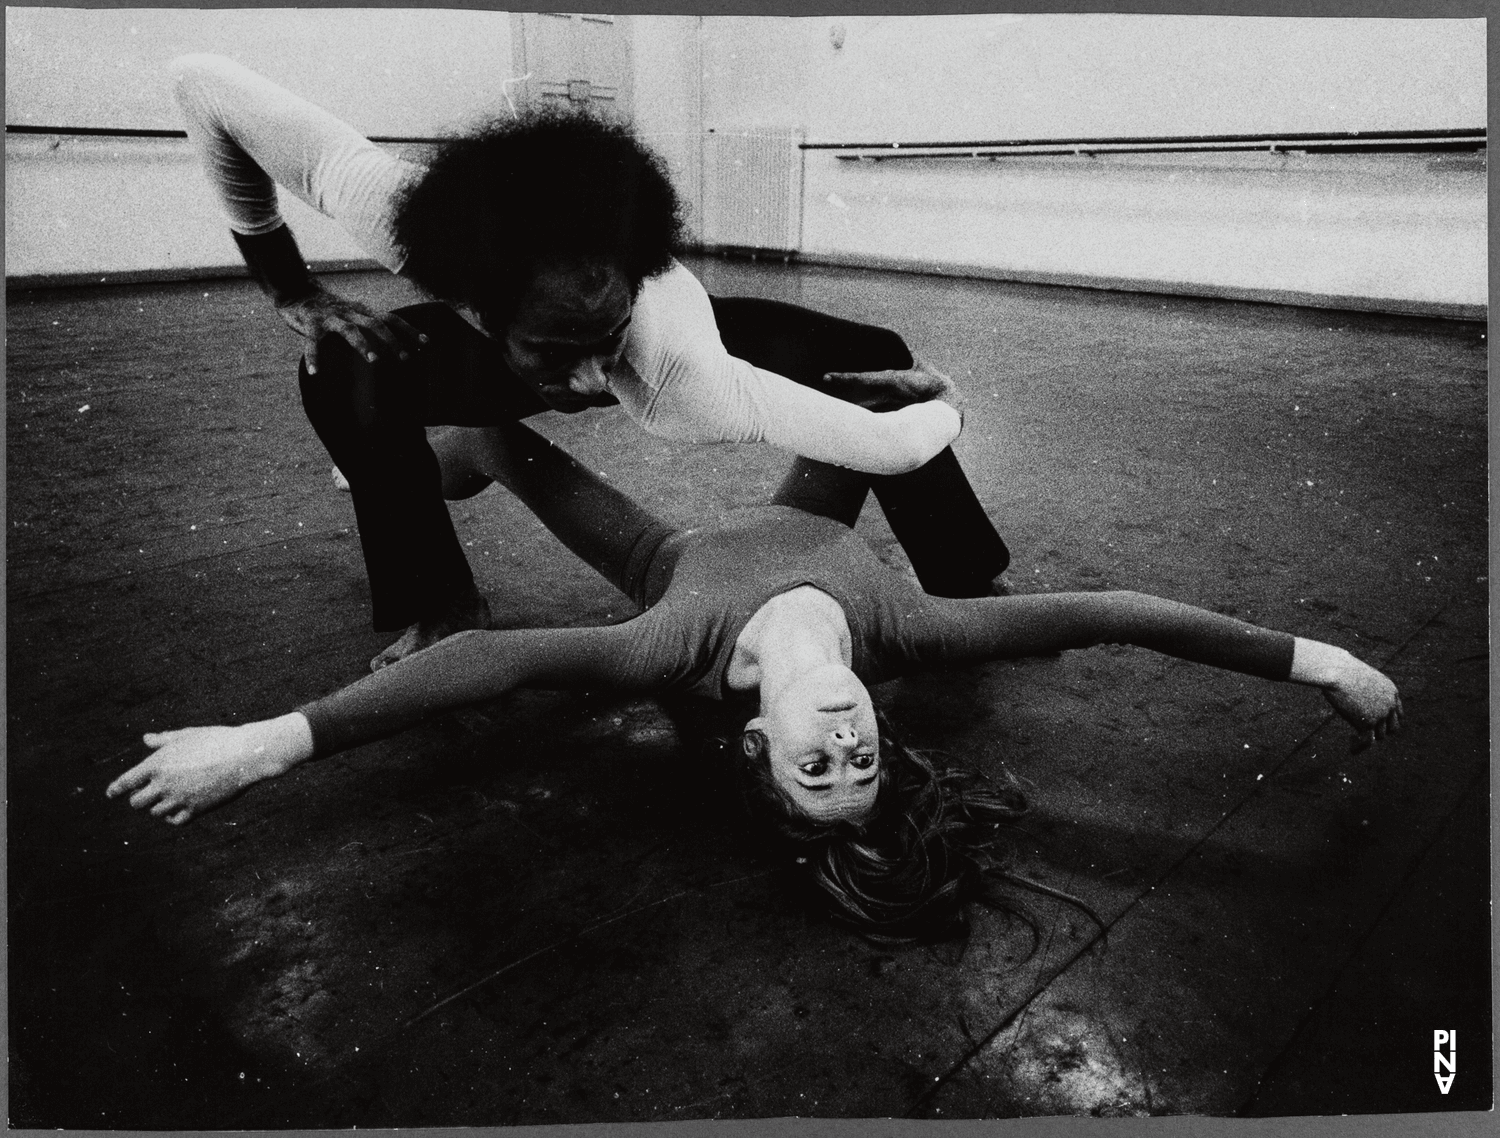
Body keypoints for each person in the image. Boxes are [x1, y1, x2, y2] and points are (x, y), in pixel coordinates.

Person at [108, 420, 1402, 942]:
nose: (842, 738)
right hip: (816, 516)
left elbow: (493, 663)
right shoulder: (909, 632)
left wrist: (266, 741)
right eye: (864, 760)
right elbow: (1116, 614)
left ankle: (396, 470)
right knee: (892, 401)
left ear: (755, 748)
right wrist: (1322, 659)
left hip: (677, 563)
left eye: (811, 763)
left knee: (493, 439)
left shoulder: (664, 647)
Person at [170, 54, 1011, 672]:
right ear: (473, 298)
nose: (582, 383)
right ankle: (443, 607)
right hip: (494, 356)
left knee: (871, 360)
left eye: (598, 342)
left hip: (663, 349)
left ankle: (965, 582)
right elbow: (201, 83)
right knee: (341, 368)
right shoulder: (403, 217)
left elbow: (897, 444)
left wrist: (946, 403)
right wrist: (291, 290)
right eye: (557, 352)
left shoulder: (683, 377)